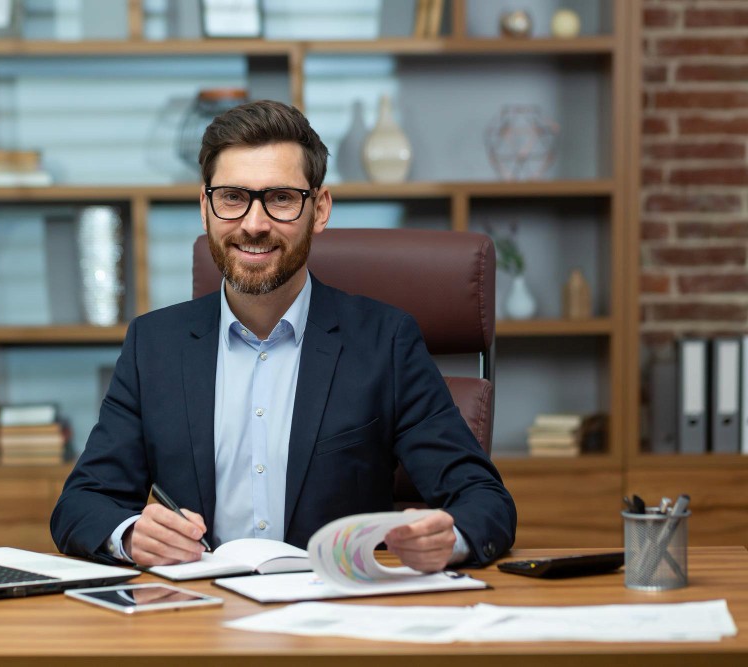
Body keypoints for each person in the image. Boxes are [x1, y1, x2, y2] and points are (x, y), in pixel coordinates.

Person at [51, 100, 516, 572]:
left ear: (320, 209)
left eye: (280, 198)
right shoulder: (154, 345)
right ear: (205, 208)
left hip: (334, 615)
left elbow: (484, 500)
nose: (254, 224)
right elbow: (82, 504)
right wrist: (131, 536)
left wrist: (447, 539)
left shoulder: (385, 342)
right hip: (198, 615)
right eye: (232, 197)